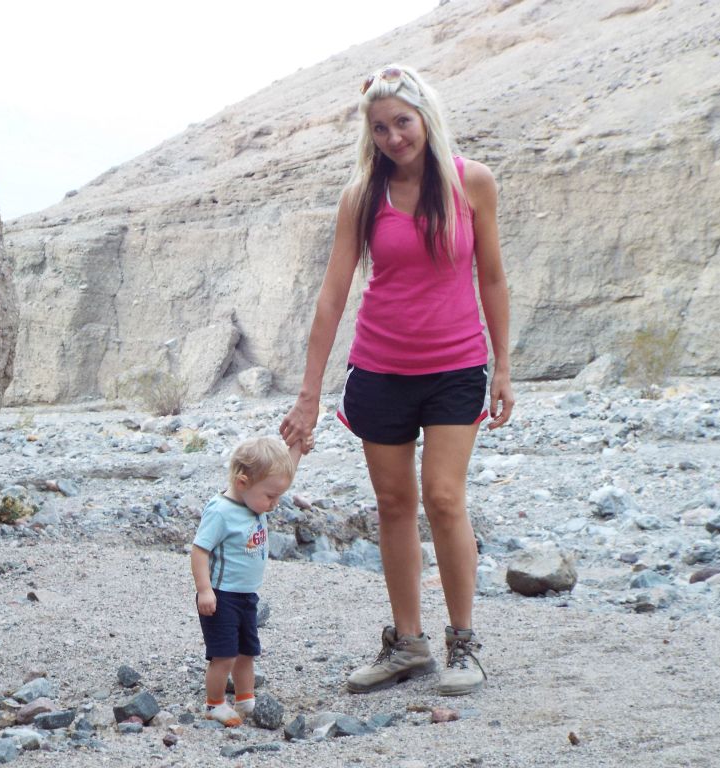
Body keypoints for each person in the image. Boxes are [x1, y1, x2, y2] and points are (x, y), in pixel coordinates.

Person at [279, 64, 514, 698]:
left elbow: (491, 277)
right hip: (379, 369)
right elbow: (332, 297)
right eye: (379, 127)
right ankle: (408, 645)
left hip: (456, 366)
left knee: (442, 497)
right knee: (392, 506)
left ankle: (462, 643)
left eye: (402, 123)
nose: (393, 137)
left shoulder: (472, 183)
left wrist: (504, 367)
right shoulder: (362, 195)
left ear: (425, 118)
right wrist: (309, 392)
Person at [190, 435, 307, 726]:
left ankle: (245, 699)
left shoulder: (255, 499)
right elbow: (199, 550)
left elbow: (282, 473)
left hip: (246, 596)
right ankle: (215, 703)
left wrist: (298, 448)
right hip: (221, 596)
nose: (274, 503)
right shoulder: (221, 511)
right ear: (242, 483)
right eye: (270, 497)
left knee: (247, 653)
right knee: (224, 655)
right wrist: (204, 590)